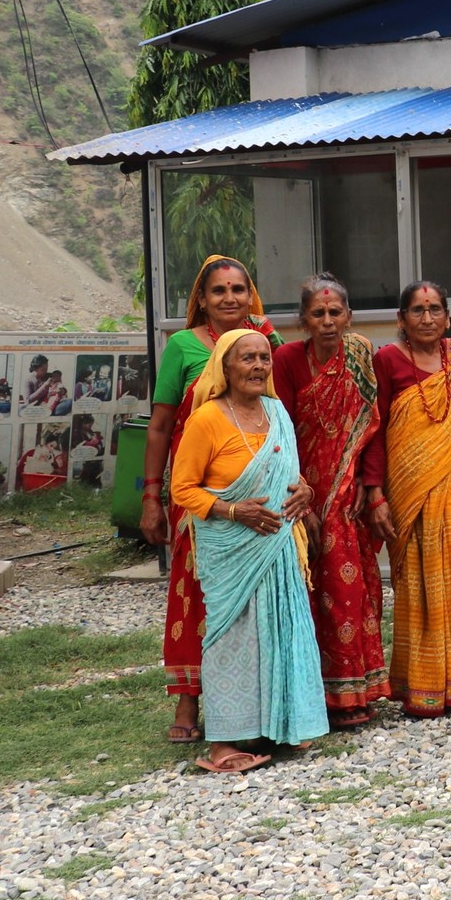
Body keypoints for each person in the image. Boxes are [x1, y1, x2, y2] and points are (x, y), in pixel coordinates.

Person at [139, 255, 284, 746]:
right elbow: (161, 426)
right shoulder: (182, 347)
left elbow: (279, 415)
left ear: (251, 296)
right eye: (218, 290)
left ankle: (260, 699)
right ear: (201, 299)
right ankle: (188, 700)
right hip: (198, 494)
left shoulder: (263, 344)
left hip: (260, 491)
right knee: (195, 592)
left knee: (258, 596)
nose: (229, 298)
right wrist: (151, 496)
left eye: (238, 289)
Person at [170, 328, 329, 773]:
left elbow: (290, 474)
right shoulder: (207, 419)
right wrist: (233, 510)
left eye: (264, 358)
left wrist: (305, 492)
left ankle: (276, 725)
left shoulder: (276, 411)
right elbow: (182, 488)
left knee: (280, 630)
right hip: (231, 550)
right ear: (225, 366)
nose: (258, 366)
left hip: (277, 545)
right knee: (232, 638)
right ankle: (223, 740)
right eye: (247, 358)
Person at [272, 273, 390, 727]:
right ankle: (315, 694)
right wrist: (300, 498)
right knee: (306, 593)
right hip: (298, 493)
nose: (327, 321)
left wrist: (371, 484)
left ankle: (355, 692)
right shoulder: (286, 360)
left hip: (348, 498)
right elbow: (280, 433)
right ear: (303, 320)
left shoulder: (361, 357)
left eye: (334, 312)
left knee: (351, 591)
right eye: (317, 313)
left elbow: (373, 428)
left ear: (348, 316)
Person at [367, 282, 451, 718]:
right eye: (417, 310)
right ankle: (422, 684)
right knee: (417, 583)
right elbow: (375, 428)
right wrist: (374, 491)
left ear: (448, 317)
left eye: (435, 309)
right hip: (407, 489)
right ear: (401, 319)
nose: (427, 318)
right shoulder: (387, 360)